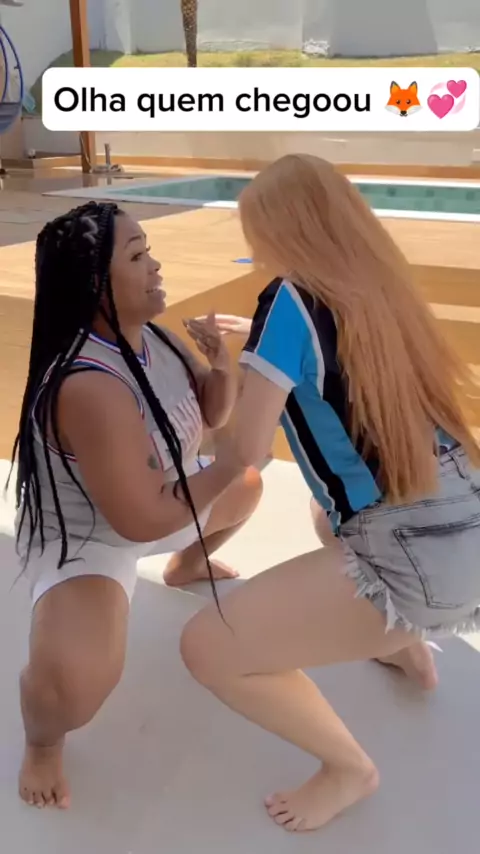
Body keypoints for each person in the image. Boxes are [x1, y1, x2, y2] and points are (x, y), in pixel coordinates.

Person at [180, 154, 480, 833]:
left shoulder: (287, 300)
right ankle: (406, 648)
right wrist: (257, 341)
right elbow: (333, 353)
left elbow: (245, 451)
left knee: (206, 647)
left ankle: (348, 768)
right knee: (326, 514)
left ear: (280, 231)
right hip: (463, 528)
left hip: (412, 560)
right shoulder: (382, 287)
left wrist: (228, 366)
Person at [10, 201, 263, 809]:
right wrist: (225, 464)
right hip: (92, 539)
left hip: (162, 499)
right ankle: (43, 741)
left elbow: (210, 413)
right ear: (97, 285)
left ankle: (186, 565)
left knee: (249, 486)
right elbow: (139, 520)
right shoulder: (89, 385)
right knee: (75, 685)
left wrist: (219, 365)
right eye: (137, 255)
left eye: (149, 249)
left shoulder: (155, 339)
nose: (156, 265)